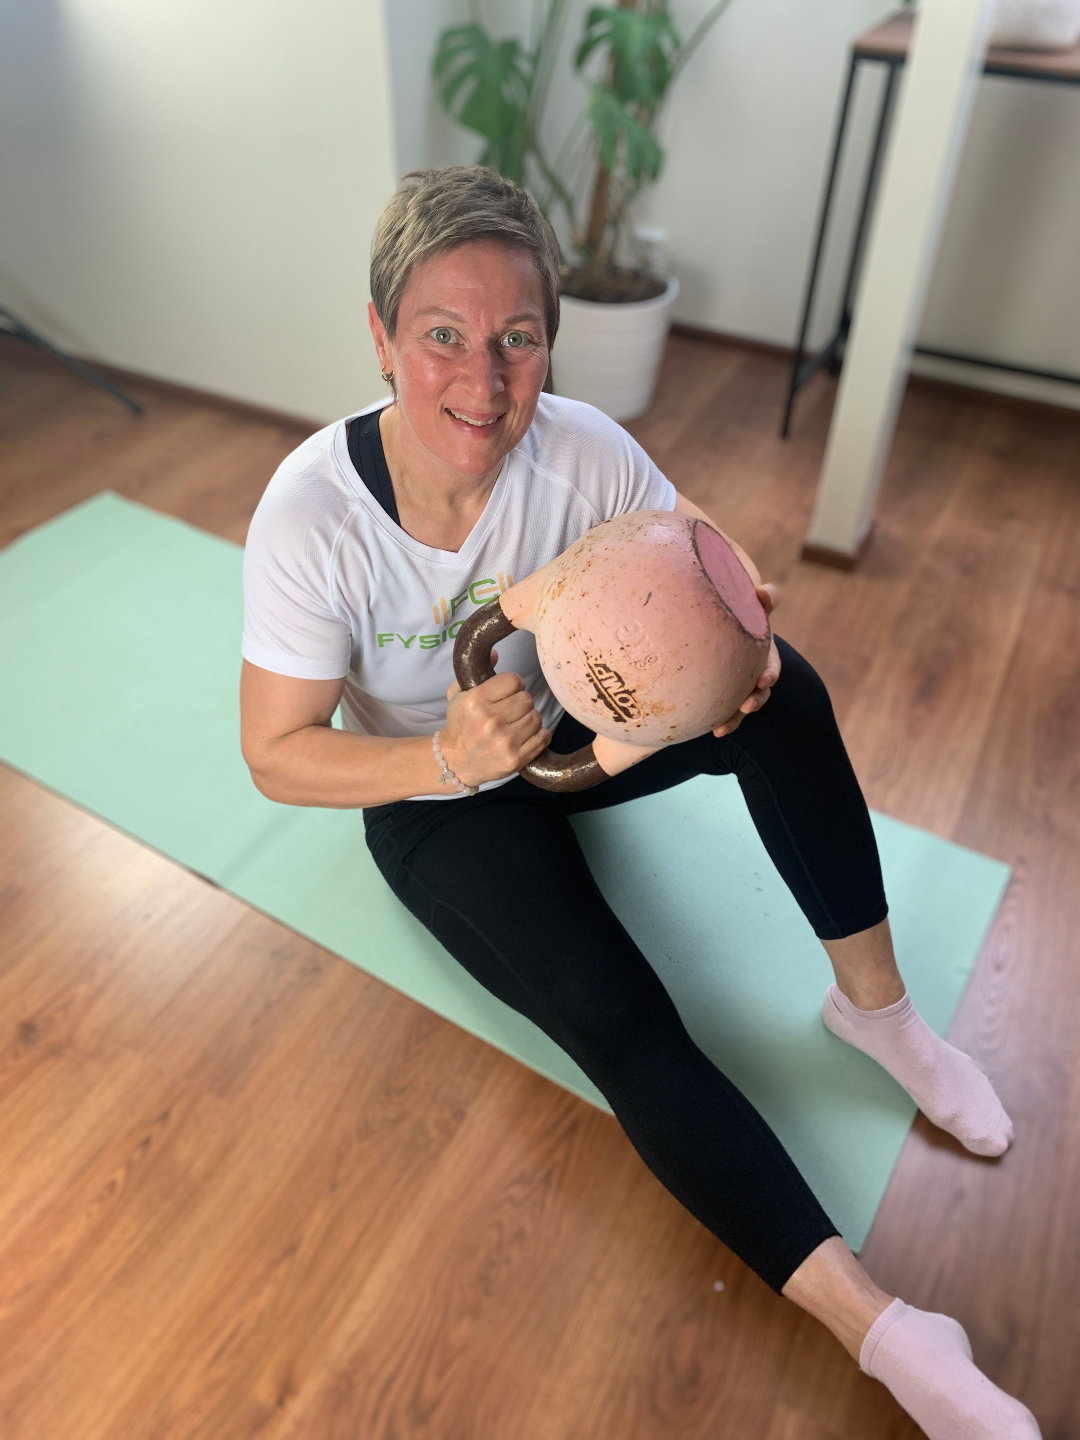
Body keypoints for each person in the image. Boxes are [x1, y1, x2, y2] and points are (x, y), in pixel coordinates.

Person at [239, 166, 1039, 1440]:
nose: (484, 381)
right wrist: (441, 760)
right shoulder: (310, 515)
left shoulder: (580, 449)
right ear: (381, 336)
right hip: (435, 797)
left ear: (551, 343)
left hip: (573, 723)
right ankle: (888, 1333)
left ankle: (877, 1012)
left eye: (519, 338)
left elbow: (689, 539)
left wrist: (737, 629)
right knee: (616, 1013)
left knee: (786, 693)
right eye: (443, 335)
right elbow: (276, 754)